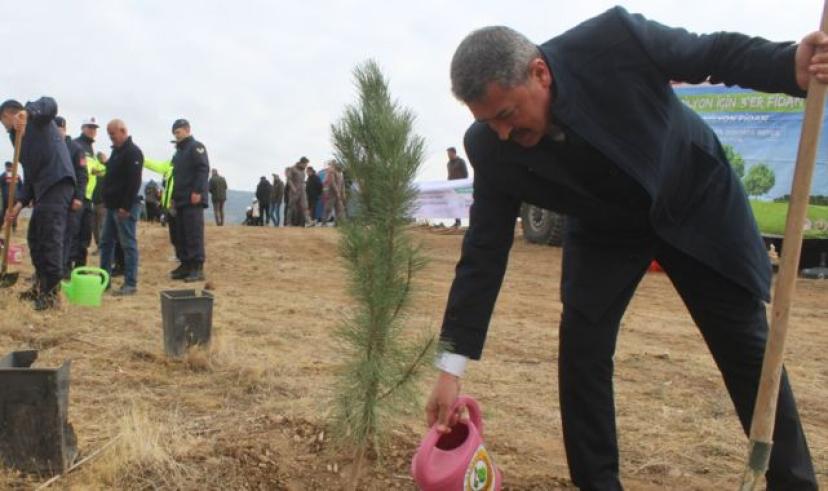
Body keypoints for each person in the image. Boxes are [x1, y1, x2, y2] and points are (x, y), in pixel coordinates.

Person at [425, 9, 824, 490]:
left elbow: (713, 53)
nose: (503, 134)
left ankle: (794, 483)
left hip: (692, 199)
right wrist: (451, 367)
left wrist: (788, 65)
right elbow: (483, 252)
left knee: (747, 348)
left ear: (540, 73)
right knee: (582, 349)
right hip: (605, 228)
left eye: (507, 115)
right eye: (489, 123)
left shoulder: (613, 41)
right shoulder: (490, 147)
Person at [1, 97, 76, 310]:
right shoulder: (17, 138)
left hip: (57, 182)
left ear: (8, 115)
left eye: (3, 121)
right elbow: (30, 174)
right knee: (35, 238)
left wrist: (27, 113)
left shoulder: (38, 118)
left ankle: (51, 295)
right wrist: (19, 204)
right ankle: (40, 287)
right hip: (42, 187)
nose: (4, 126)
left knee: (50, 239)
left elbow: (51, 103)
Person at [99, 119, 143, 296]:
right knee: (105, 243)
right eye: (109, 135)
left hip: (125, 208)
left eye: (113, 134)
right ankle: (104, 281)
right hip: (111, 207)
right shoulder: (116, 152)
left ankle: (130, 283)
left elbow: (134, 182)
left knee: (128, 244)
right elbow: (112, 176)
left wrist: (125, 206)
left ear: (123, 131)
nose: (111, 138)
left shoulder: (133, 152)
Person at [170, 119, 209, 282]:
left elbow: (203, 169)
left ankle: (197, 267)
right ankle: (185, 264)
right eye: (175, 133)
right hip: (180, 199)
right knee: (180, 234)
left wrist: (197, 191)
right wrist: (172, 197)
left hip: (193, 198)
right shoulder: (178, 153)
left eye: (178, 132)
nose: (176, 136)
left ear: (187, 130)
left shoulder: (196, 147)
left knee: (193, 233)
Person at [54, 116, 88, 277]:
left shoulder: (75, 149)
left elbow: (82, 176)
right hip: (52, 199)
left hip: (70, 200)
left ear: (64, 129)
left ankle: (64, 267)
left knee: (67, 235)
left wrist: (79, 197)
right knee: (51, 236)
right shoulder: (49, 146)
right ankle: (50, 269)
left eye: (58, 129)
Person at [446, 147, 469, 228]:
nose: (448, 155)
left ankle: (471, 222)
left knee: (464, 204)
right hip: (452, 187)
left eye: (449, 154)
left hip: (461, 187)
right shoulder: (448, 164)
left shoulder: (461, 161)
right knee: (454, 205)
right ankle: (457, 222)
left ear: (454, 153)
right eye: (447, 154)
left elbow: (466, 174)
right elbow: (449, 175)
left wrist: (462, 184)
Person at [287, 157, 310, 226]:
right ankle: (288, 223)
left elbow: (302, 181)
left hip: (302, 191)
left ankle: (308, 221)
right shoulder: (292, 169)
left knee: (305, 206)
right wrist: (293, 188)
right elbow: (289, 179)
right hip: (294, 191)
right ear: (301, 163)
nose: (306, 166)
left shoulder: (303, 171)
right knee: (291, 207)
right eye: (305, 164)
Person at [1, 161, 23, 232]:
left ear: (6, 167)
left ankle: (1, 225)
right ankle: (14, 228)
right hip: (15, 197)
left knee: (3, 211)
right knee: (14, 212)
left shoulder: (4, 175)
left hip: (6, 197)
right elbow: (21, 187)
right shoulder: (17, 175)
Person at [322, 159, 346, 225]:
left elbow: (342, 184)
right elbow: (332, 183)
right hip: (332, 193)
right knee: (328, 208)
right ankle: (324, 222)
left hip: (338, 194)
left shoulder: (340, 174)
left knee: (339, 208)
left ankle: (338, 223)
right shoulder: (332, 172)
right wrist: (337, 192)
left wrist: (343, 193)